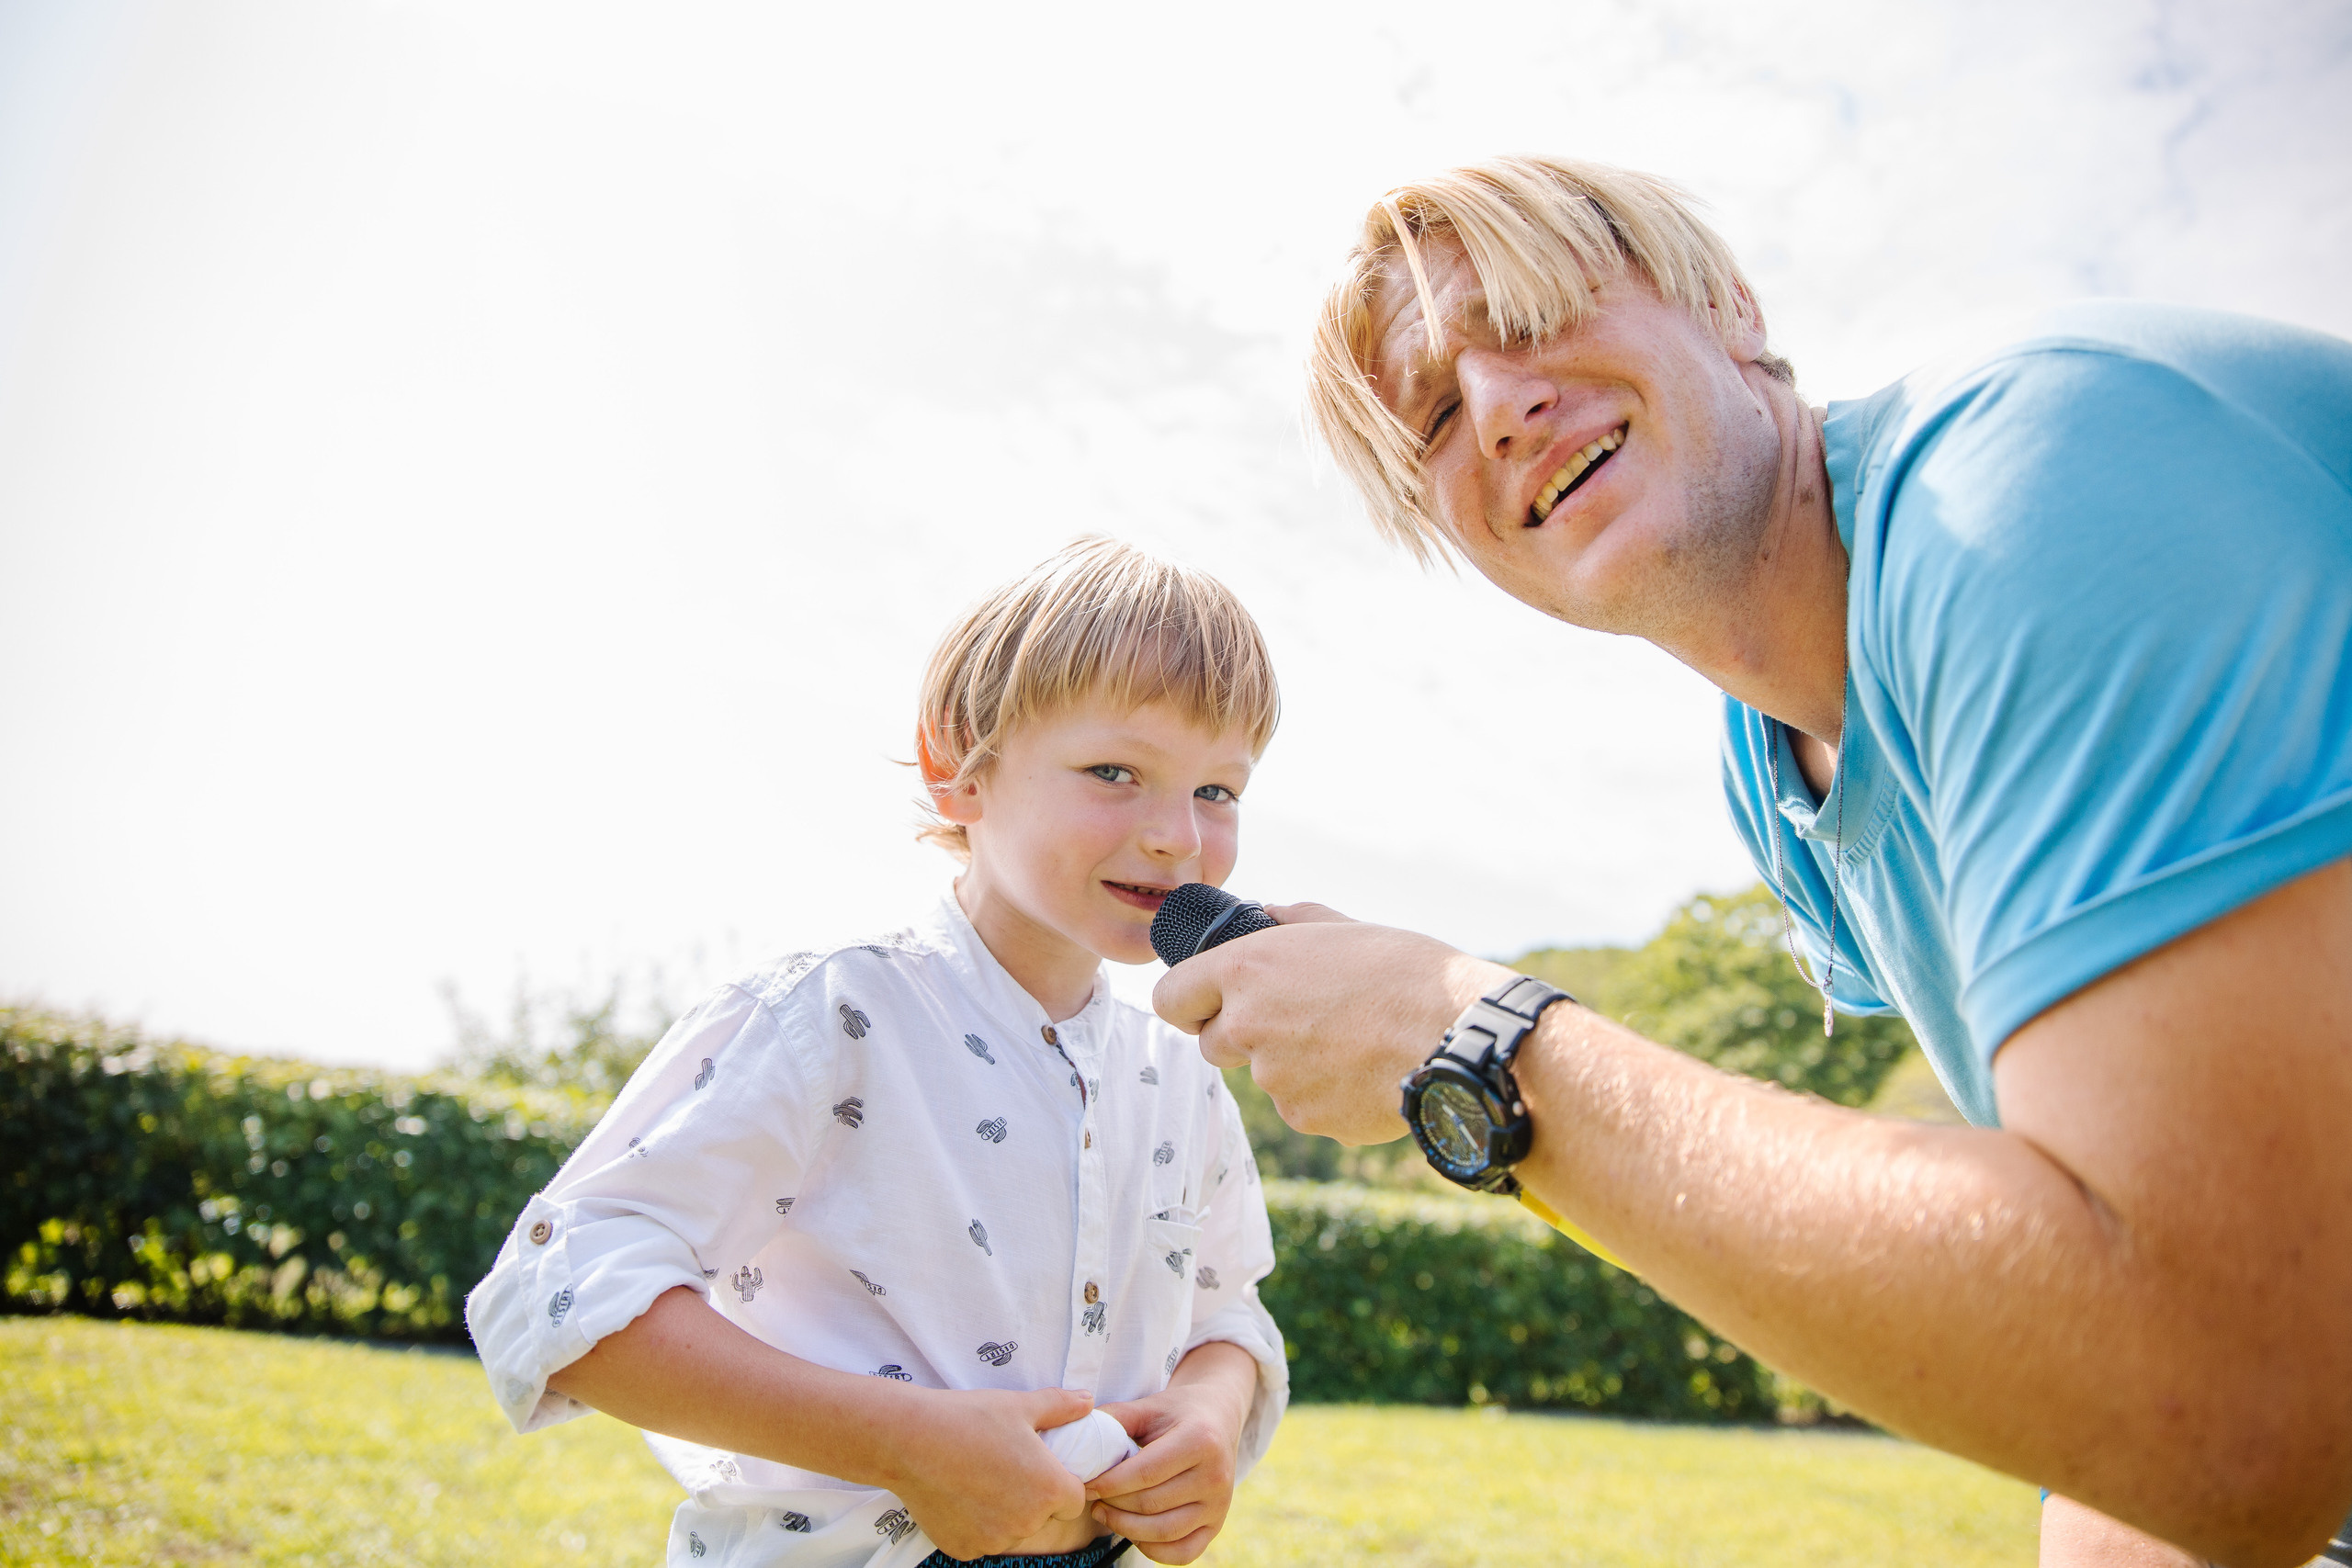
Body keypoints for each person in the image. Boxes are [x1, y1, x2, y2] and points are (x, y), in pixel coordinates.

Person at [1155, 155, 2352, 1567]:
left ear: (1730, 306)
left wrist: (1465, 1038)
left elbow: (2235, 1399)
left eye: (1535, 315)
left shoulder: (2036, 483)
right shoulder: (1771, 757)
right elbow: (2146, 1331)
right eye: (1432, 412)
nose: (1497, 404)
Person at [467, 538, 1289, 1568]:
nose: (1176, 835)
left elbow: (1227, 1309)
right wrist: (900, 1443)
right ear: (958, 769)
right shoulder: (828, 1017)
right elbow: (563, 1293)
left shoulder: (1182, 1076)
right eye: (1114, 770)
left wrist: (1206, 1418)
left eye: (1218, 791)